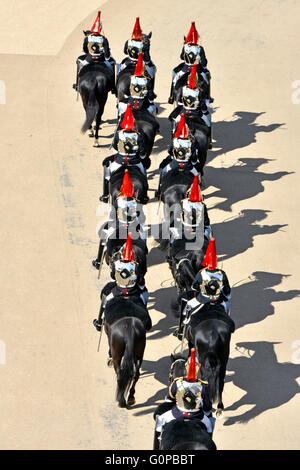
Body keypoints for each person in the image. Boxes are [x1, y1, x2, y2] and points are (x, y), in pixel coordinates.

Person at [153, 348, 215, 449]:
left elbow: (169, 399)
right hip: (197, 416)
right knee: (210, 425)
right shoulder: (203, 386)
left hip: (176, 414)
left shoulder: (178, 382)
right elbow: (207, 406)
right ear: (198, 368)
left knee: (159, 421)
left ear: (186, 367)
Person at [93, 232, 149, 333]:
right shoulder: (135, 265)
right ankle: (146, 323)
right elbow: (140, 279)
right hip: (133, 292)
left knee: (106, 298)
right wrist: (140, 285)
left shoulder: (116, 264)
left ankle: (99, 322)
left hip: (117, 291)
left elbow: (113, 278)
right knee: (144, 298)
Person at [176, 238, 231, 339]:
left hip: (202, 300)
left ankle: (181, 329)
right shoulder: (222, 273)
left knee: (187, 306)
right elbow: (227, 290)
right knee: (227, 308)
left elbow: (194, 287)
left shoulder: (202, 273)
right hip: (218, 301)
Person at [100, 104, 149, 203]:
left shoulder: (119, 133)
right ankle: (144, 196)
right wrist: (142, 155)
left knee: (107, 172)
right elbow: (142, 151)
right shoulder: (138, 134)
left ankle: (105, 195)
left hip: (119, 161)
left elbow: (115, 147)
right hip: (134, 162)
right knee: (143, 174)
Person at [73, 11, 116, 94]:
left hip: (89, 59)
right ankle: (113, 86)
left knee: (80, 65)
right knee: (112, 65)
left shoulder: (88, 38)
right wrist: (106, 57)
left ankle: (78, 85)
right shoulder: (103, 39)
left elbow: (85, 49)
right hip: (101, 59)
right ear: (99, 29)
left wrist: (89, 52)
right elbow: (107, 53)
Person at [168, 22, 210, 105]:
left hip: (185, 69)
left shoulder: (185, 47)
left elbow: (181, 57)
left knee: (175, 79)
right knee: (206, 79)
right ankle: (207, 98)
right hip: (197, 70)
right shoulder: (200, 48)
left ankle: (172, 97)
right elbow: (204, 63)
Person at [118, 52, 157, 116]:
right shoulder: (148, 81)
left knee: (120, 107)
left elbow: (126, 92)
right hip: (143, 104)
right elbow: (150, 96)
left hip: (130, 103)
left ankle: (119, 122)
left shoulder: (131, 78)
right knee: (153, 110)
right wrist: (151, 100)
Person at [119, 17, 156, 82]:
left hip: (129, 62)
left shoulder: (128, 42)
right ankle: (150, 90)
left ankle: (116, 87)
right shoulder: (143, 44)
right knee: (151, 73)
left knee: (119, 71)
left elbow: (125, 52)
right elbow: (147, 59)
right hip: (141, 63)